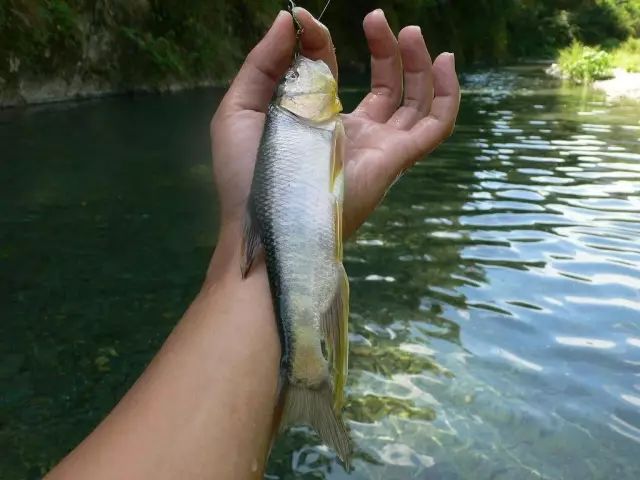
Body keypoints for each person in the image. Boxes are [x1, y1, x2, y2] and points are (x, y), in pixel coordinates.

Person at [46, 8, 459, 480]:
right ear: (294, 98)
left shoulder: (305, 125)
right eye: (297, 76)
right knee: (325, 289)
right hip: (299, 239)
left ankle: (307, 378)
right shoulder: (300, 124)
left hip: (291, 239)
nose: (307, 72)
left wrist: (236, 262)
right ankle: (307, 376)